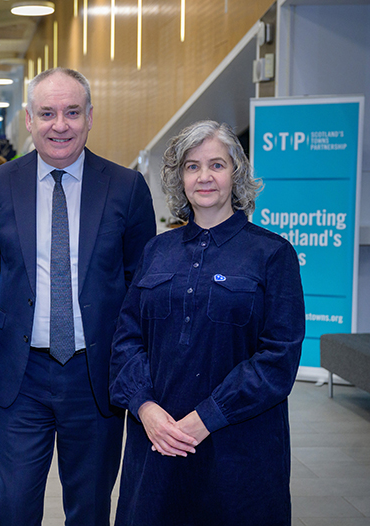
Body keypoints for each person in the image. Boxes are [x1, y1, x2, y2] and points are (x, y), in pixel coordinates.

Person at [0, 67, 156, 525]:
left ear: (90, 117)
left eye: (72, 112)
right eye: (47, 113)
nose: (60, 125)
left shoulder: (126, 187)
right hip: (20, 376)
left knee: (90, 510)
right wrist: (25, 311)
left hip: (95, 378)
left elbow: (139, 279)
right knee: (13, 508)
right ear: (29, 119)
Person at [109, 120, 305, 525]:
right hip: (159, 443)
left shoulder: (272, 254)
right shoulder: (156, 251)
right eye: (192, 166)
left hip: (239, 449)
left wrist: (207, 418)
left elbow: (278, 359)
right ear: (179, 177)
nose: (204, 177)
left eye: (217, 165)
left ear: (237, 173)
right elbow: (126, 340)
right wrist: (145, 408)